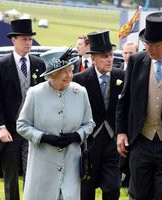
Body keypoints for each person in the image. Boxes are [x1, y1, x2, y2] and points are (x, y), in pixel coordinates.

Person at [17, 47, 95, 200]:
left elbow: (89, 124)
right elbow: (22, 125)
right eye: (64, 71)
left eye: (71, 70)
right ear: (52, 75)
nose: (70, 75)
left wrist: (75, 136)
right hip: (42, 164)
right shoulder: (35, 93)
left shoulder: (80, 92)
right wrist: (44, 137)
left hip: (70, 164)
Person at [0, 19, 46, 200]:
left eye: (30, 39)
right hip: (10, 130)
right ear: (13, 40)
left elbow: (43, 97)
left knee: (32, 173)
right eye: (24, 39)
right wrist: (1, 127)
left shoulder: (38, 64)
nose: (28, 43)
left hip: (32, 129)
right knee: (11, 175)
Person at [73, 30, 125, 200]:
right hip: (89, 143)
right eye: (104, 56)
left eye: (110, 55)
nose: (110, 59)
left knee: (112, 189)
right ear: (93, 58)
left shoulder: (122, 77)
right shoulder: (80, 79)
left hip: (113, 142)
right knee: (86, 190)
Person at [116, 12, 162, 200]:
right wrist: (121, 132)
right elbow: (124, 100)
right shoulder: (137, 61)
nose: (149, 49)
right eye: (147, 44)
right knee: (138, 195)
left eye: (155, 45)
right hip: (140, 140)